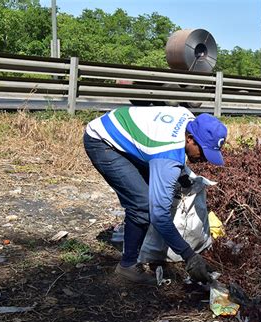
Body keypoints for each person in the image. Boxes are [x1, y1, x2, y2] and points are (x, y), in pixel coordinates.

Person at [83, 106, 227, 285]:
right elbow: (159, 216)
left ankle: (140, 243)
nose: (205, 159)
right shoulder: (166, 154)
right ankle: (127, 266)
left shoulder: (189, 119)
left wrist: (183, 177)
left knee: (154, 192)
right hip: (102, 141)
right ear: (190, 139)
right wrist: (189, 256)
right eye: (204, 152)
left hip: (122, 126)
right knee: (142, 204)